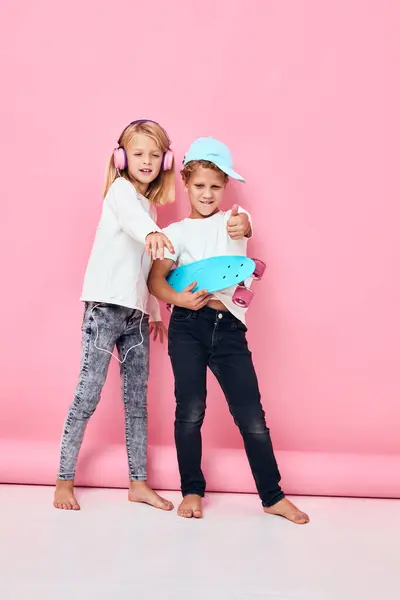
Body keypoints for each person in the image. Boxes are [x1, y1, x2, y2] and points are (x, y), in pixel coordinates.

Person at [148, 137, 309, 524]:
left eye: (215, 186)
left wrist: (243, 223)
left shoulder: (234, 220)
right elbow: (157, 282)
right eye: (199, 185)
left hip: (229, 328)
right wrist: (180, 301)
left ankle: (272, 496)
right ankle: (192, 490)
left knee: (251, 415)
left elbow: (243, 226)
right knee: (190, 410)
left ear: (225, 189)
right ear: (186, 183)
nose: (207, 194)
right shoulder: (176, 232)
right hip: (188, 325)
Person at [54, 120, 175, 511]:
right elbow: (134, 225)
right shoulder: (121, 193)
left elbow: (142, 266)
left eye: (155, 155)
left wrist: (154, 309)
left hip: (136, 315)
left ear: (165, 160)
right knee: (87, 393)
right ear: (122, 158)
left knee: (136, 400)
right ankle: (63, 480)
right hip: (105, 308)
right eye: (138, 154)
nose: (147, 161)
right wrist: (153, 233)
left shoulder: (150, 205)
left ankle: (138, 482)